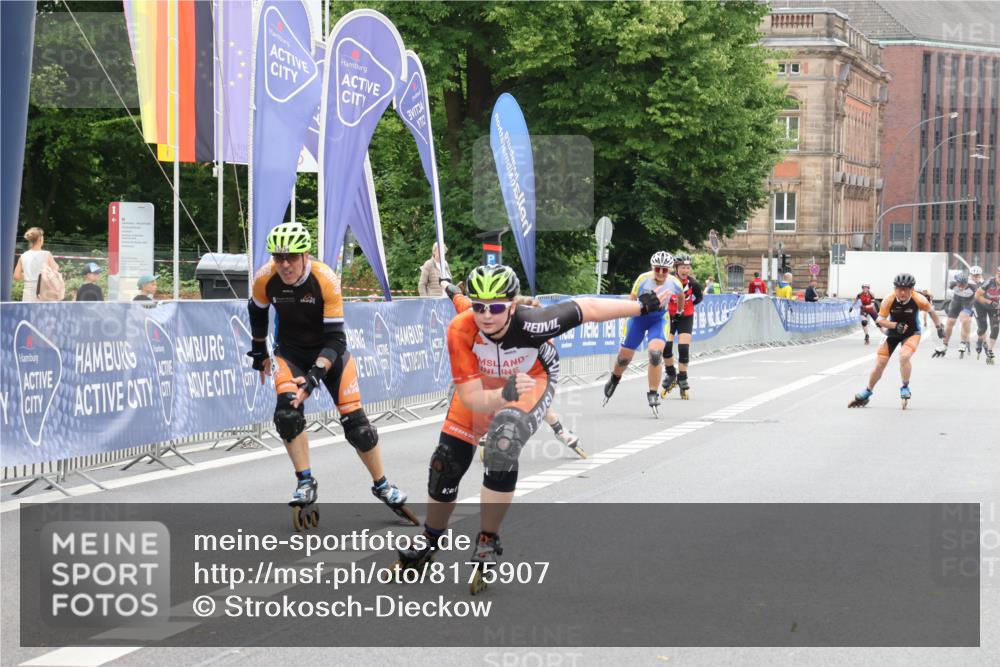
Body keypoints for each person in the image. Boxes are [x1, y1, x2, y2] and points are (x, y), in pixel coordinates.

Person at [395, 264, 672, 592]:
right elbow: (470, 397)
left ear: (512, 306)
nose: (486, 315)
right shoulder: (461, 328)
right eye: (479, 306)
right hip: (484, 388)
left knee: (503, 444)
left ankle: (488, 538)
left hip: (532, 380)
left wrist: (642, 306)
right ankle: (430, 539)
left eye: (496, 307)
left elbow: (589, 309)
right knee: (445, 462)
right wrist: (501, 392)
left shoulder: (534, 322)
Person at [246, 223, 414, 529]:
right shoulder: (265, 277)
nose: (284, 264)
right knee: (287, 414)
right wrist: (260, 352)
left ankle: (382, 485)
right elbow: (256, 311)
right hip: (290, 354)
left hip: (329, 354)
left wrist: (313, 379)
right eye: (279, 257)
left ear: (305, 255)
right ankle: (305, 482)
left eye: (292, 257)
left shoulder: (325, 279)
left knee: (358, 429)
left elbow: (337, 341)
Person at [441, 279, 587, 459]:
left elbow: (541, 389)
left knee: (524, 398)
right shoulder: (480, 313)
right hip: (491, 367)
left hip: (518, 370)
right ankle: (562, 432)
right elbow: (458, 298)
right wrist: (446, 285)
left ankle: (560, 432)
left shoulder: (537, 331)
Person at [601, 251, 683, 414]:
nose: (660, 273)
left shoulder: (675, 283)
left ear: (670, 270)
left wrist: (678, 312)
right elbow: (631, 301)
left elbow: (681, 296)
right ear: (652, 267)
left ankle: (653, 392)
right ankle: (615, 378)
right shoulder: (642, 279)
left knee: (654, 354)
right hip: (638, 318)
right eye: (657, 269)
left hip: (658, 320)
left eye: (664, 270)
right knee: (624, 359)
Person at [849, 273, 944, 408]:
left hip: (912, 332)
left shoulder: (920, 299)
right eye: (899, 289)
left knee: (904, 356)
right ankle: (868, 391)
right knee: (880, 363)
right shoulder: (889, 299)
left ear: (912, 289)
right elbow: (880, 320)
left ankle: (905, 386)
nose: (903, 292)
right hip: (893, 331)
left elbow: (932, 312)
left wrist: (939, 327)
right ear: (895, 289)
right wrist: (895, 326)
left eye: (907, 289)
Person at [661, 252, 703, 400]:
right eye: (683, 267)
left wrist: (688, 306)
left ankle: (683, 378)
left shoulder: (693, 284)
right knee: (666, 346)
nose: (685, 271)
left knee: (683, 349)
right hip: (670, 317)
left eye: (688, 267)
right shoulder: (668, 282)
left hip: (685, 316)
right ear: (676, 268)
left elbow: (698, 298)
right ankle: (671, 373)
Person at [933, 272, 976, 358]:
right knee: (950, 322)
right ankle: (944, 345)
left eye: (963, 285)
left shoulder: (973, 287)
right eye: (959, 285)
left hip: (968, 302)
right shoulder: (952, 284)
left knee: (965, 320)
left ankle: (963, 342)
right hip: (956, 301)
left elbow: (980, 296)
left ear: (967, 283)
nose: (960, 287)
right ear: (956, 283)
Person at [12, 227, 59, 303]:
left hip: (28, 293)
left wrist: (28, 276)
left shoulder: (23, 255)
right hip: (43, 291)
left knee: (28, 314)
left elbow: (16, 276)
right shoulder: (47, 254)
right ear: (40, 239)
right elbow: (55, 270)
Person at [974, 266, 999, 364]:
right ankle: (980, 340)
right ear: (996, 276)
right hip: (980, 304)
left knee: (996, 326)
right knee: (983, 328)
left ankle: (990, 350)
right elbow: (977, 296)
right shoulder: (989, 282)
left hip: (994, 306)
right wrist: (989, 302)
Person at [969, 265, 989, 358]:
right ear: (970, 275)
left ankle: (982, 342)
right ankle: (964, 341)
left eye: (977, 275)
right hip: (968, 306)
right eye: (973, 275)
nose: (975, 277)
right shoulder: (967, 283)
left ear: (980, 275)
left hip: (979, 307)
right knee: (965, 323)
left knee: (982, 326)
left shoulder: (984, 284)